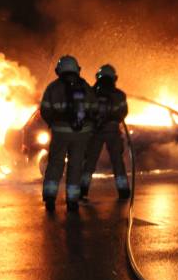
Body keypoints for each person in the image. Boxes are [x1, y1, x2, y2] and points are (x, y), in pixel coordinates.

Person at [40, 55, 97, 212]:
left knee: (56, 164)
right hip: (81, 134)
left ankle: (50, 198)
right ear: (76, 69)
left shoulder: (53, 88)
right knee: (76, 165)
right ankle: (72, 201)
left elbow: (45, 109)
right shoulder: (85, 87)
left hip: (60, 133)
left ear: (59, 70)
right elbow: (95, 109)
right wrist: (89, 126)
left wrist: (53, 123)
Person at [80, 64, 130, 200]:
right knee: (117, 162)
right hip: (112, 131)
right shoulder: (119, 95)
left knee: (89, 162)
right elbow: (123, 112)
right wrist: (113, 119)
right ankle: (123, 191)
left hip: (95, 132)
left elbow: (84, 111)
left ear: (98, 77)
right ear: (114, 78)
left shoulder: (90, 93)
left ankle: (82, 191)